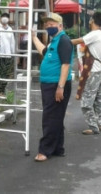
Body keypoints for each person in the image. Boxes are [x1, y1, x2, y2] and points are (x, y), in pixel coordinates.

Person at [31, 13, 73, 162]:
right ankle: (57, 148)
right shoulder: (54, 41)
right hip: (49, 84)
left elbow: (66, 65)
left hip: (57, 84)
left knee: (50, 117)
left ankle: (45, 150)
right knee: (56, 117)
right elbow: (44, 51)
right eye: (47, 24)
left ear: (60, 26)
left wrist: (60, 87)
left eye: (52, 24)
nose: (49, 26)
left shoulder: (64, 41)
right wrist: (34, 37)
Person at [71, 11, 101, 135]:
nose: (89, 21)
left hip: (93, 72)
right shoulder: (100, 34)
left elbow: (77, 41)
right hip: (99, 71)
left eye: (90, 19)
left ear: (92, 20)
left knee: (86, 102)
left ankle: (93, 127)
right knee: (99, 99)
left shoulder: (94, 34)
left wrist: (63, 40)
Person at [0, 12, 15, 95]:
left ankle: (2, 90)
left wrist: (13, 53)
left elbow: (12, 42)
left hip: (8, 54)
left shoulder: (10, 29)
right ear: (1, 18)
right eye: (3, 17)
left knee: (6, 73)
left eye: (6, 17)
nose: (5, 18)